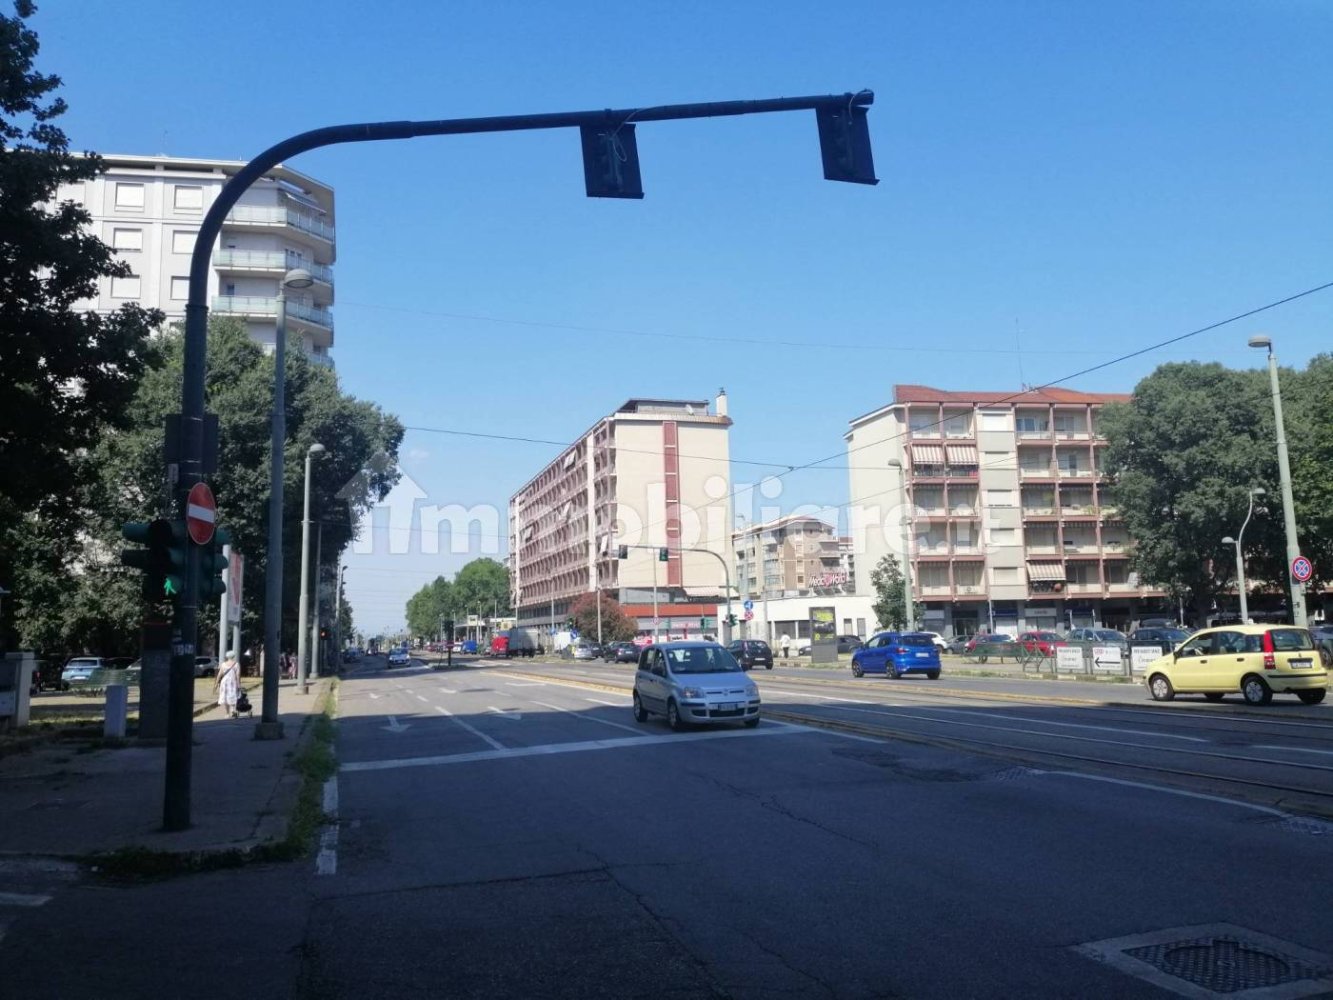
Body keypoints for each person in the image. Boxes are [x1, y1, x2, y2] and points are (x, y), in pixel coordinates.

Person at [214, 649, 241, 719]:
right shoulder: (236, 664)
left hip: (224, 683)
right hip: (232, 682)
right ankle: (232, 710)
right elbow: (237, 676)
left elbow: (219, 675)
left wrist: (216, 684)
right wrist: (238, 684)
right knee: (233, 696)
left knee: (225, 697)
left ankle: (227, 713)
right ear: (233, 656)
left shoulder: (223, 664)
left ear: (227, 656)